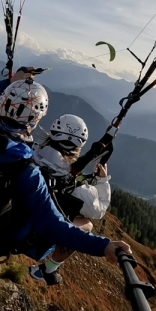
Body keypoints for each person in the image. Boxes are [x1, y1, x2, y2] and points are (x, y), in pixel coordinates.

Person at [0, 70, 130, 268]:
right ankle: (48, 270)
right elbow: (53, 224)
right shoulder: (25, 169)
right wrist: (103, 246)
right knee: (85, 224)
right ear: (36, 120)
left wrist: (9, 83)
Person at [27, 114, 113, 286]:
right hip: (38, 233)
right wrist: (102, 181)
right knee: (87, 224)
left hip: (17, 217)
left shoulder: (30, 152)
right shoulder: (77, 190)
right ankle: (47, 270)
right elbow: (100, 210)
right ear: (79, 145)